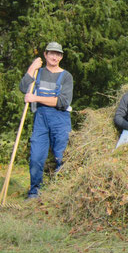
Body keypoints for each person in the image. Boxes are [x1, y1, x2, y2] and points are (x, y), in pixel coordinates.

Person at [19, 42, 73, 199]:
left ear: (61, 57)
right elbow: (23, 88)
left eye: (58, 54)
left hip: (60, 120)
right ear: (45, 55)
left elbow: (63, 102)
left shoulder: (66, 76)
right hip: (40, 120)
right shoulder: (38, 73)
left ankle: (60, 193)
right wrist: (32, 67)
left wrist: (35, 97)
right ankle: (35, 192)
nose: (54, 56)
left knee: (61, 157)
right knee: (36, 157)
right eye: (51, 53)